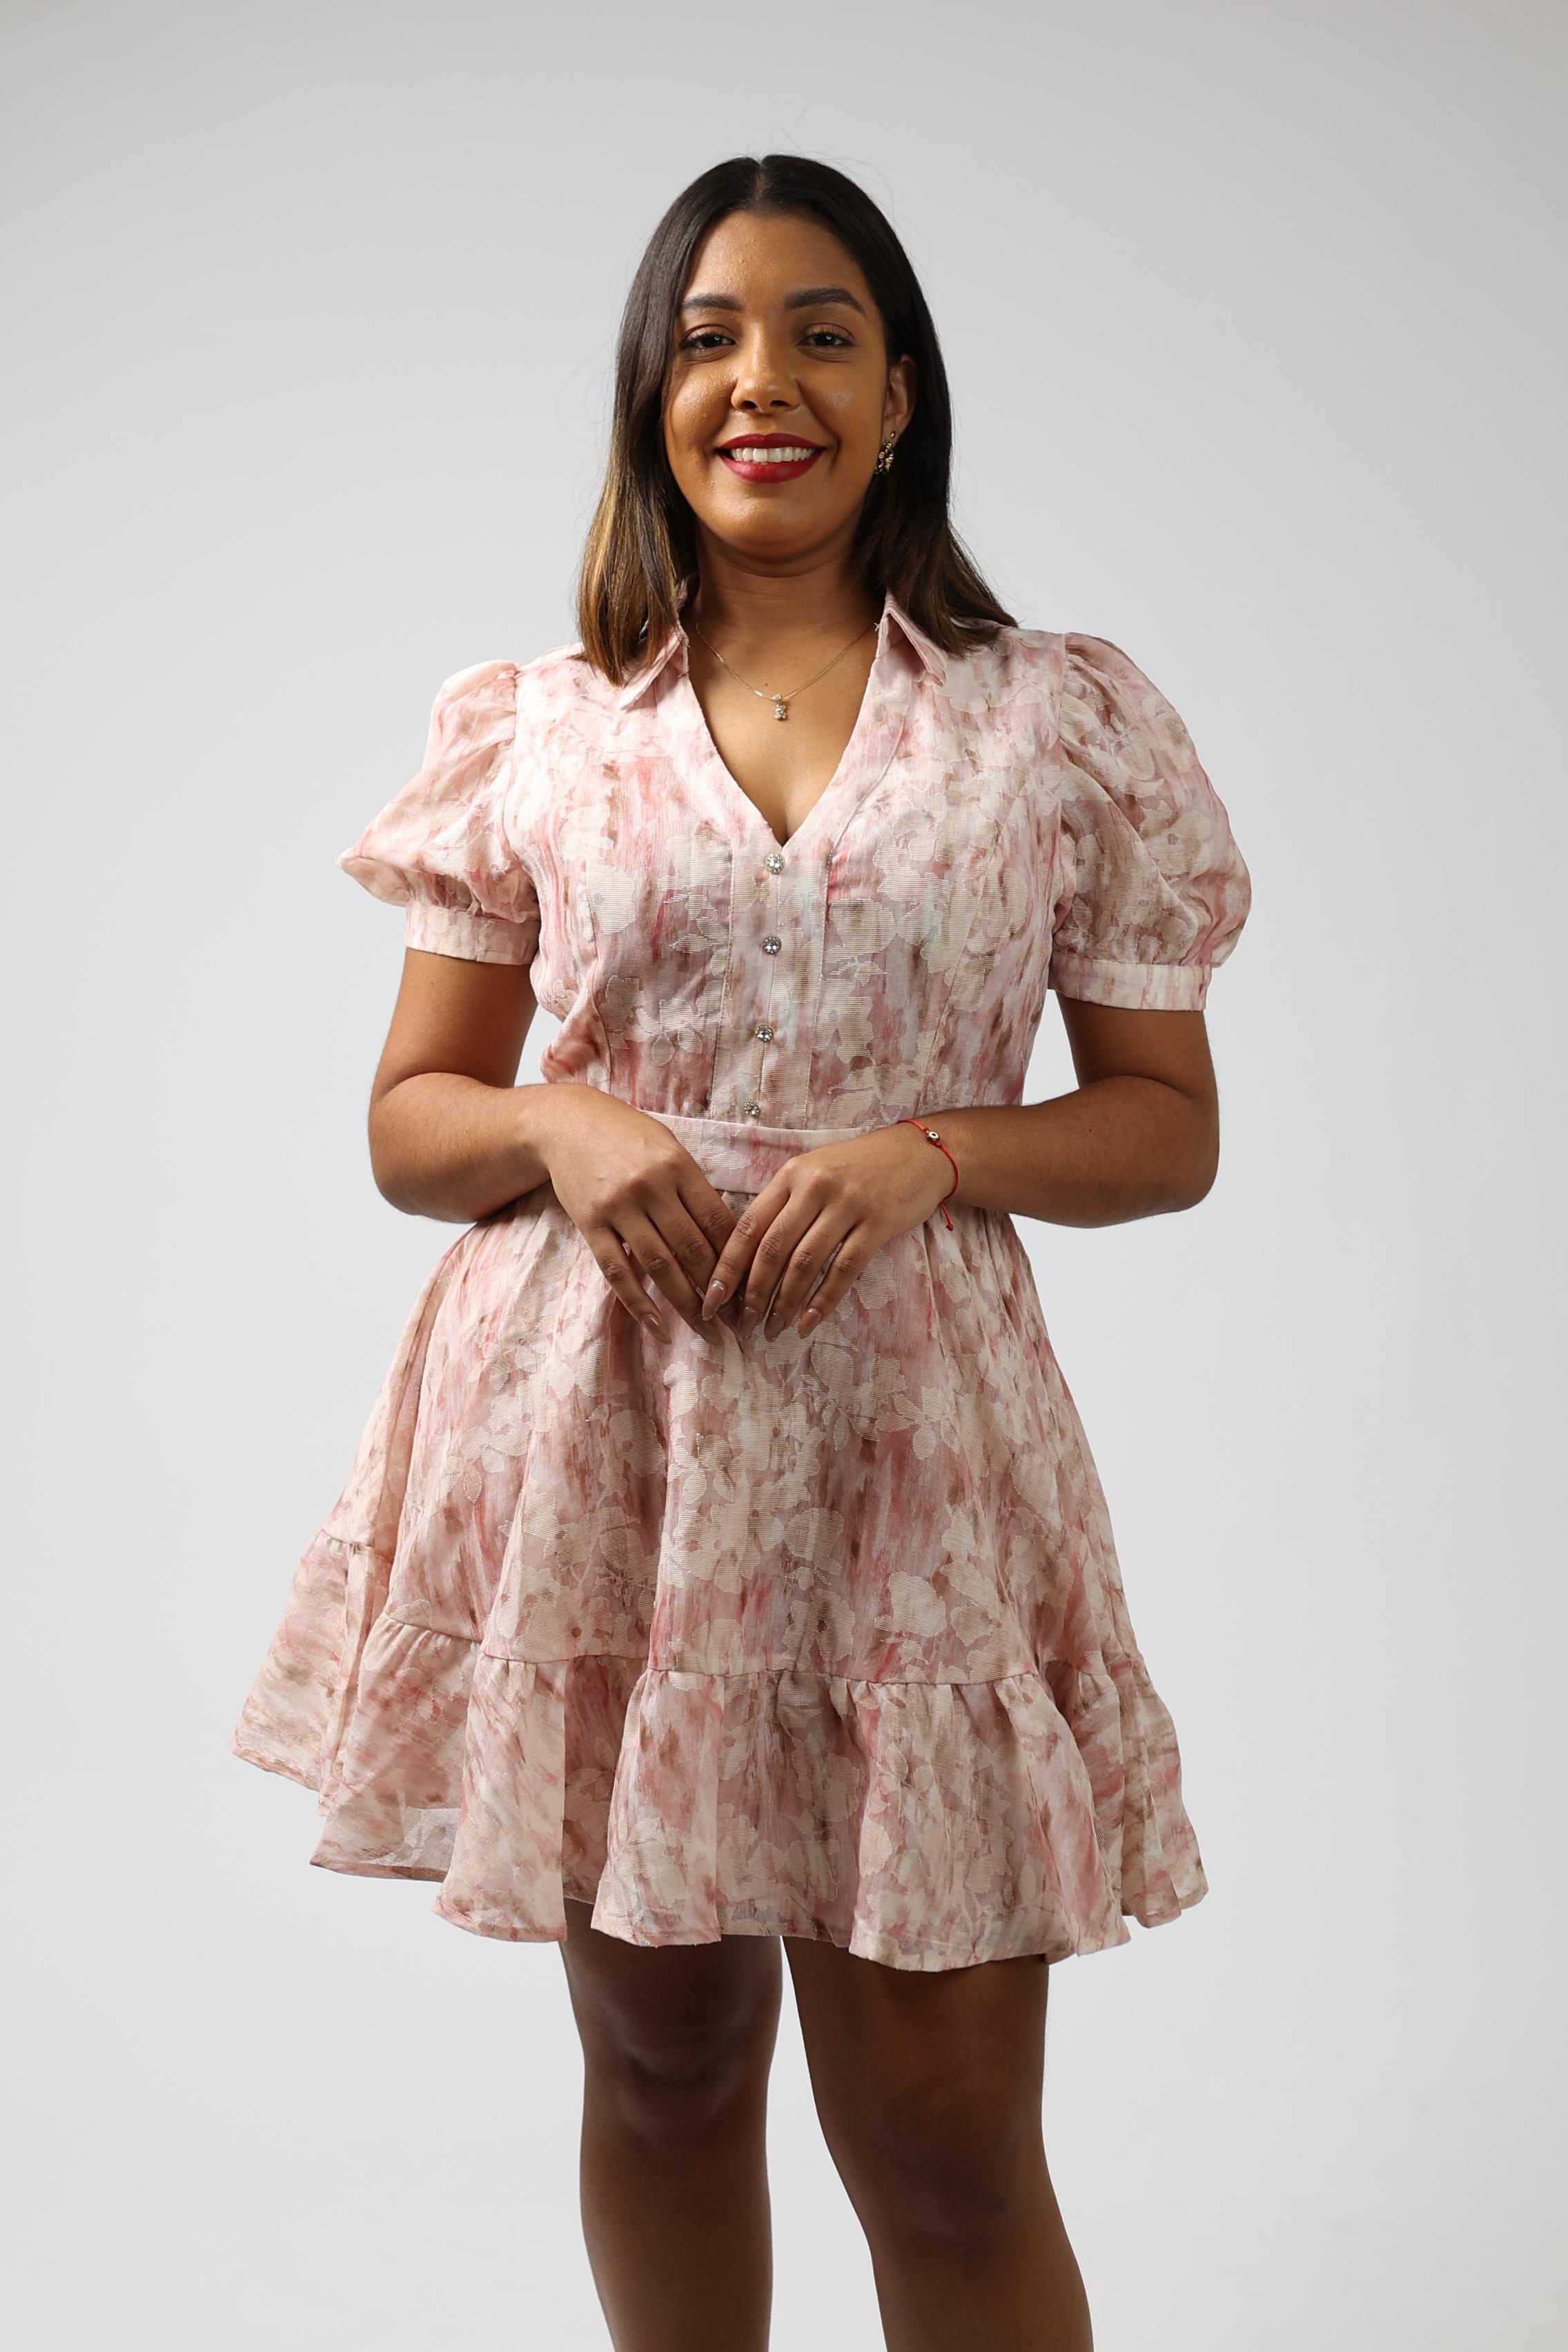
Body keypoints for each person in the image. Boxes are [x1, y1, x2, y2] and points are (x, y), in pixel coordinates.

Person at [233, 152, 1252, 2352]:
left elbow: (1166, 1128)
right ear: (652, 397)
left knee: (951, 2136)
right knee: (668, 2068)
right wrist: (556, 1124)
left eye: (820, 334)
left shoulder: (1053, 721)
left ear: (902, 393)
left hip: (916, 1474)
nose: (760, 381)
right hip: (605, 1450)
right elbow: (412, 1125)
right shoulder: (537, 726)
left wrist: (933, 1154)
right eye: (707, 340)